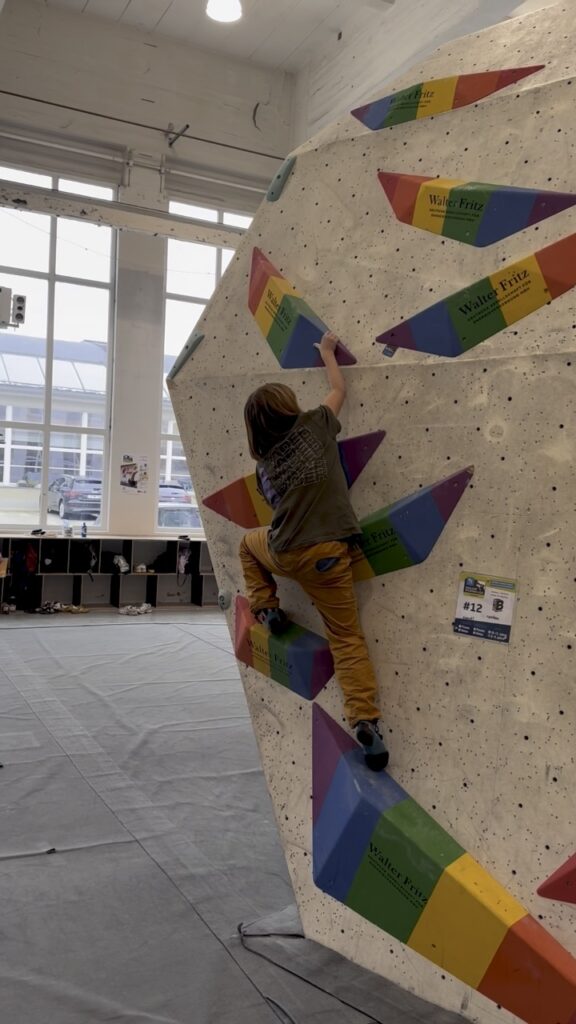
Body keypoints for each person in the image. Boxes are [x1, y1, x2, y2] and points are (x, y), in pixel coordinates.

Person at [239, 331, 388, 771]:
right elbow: (339, 389)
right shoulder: (318, 425)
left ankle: (266, 608)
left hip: (283, 550)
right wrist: (325, 351)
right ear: (289, 407)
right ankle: (364, 719)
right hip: (326, 556)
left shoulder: (265, 466)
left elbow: (276, 507)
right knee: (345, 637)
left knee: (248, 546)